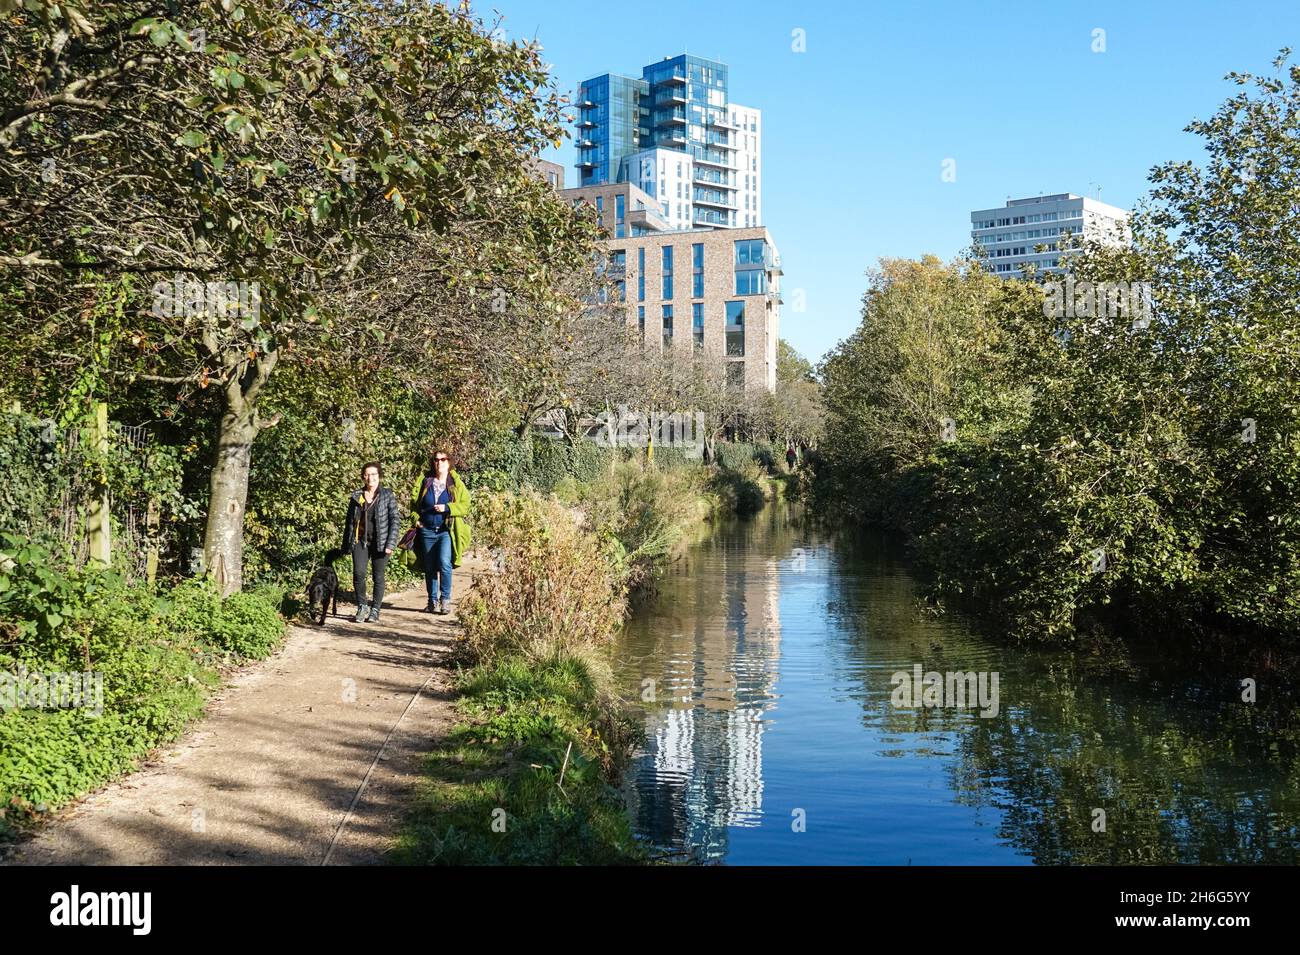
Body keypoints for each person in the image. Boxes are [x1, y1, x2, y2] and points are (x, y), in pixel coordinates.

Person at [409, 448, 472, 614]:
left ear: (449, 462)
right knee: (429, 567)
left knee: (445, 563)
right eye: (436, 460)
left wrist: (447, 507)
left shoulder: (455, 484)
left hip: (445, 531)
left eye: (443, 459)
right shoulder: (425, 481)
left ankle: (445, 600)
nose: (439, 463)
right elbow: (414, 505)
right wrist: (415, 519)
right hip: (426, 530)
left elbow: (466, 506)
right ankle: (432, 600)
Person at [342, 461, 399, 624]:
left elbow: (395, 520)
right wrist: (346, 544)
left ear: (379, 476)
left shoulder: (387, 495)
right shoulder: (356, 496)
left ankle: (375, 609)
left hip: (381, 542)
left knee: (378, 576)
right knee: (358, 574)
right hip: (360, 541)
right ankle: (362, 606)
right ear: (363, 477)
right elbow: (350, 522)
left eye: (373, 474)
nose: (370, 478)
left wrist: (391, 543)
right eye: (367, 474)